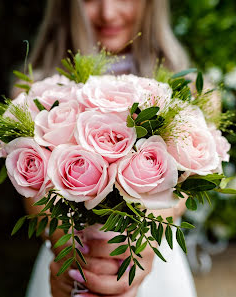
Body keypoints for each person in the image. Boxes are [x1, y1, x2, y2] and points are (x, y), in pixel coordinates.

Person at [13, 1, 214, 296]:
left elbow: (183, 192)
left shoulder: (189, 87)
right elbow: (35, 199)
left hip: (153, 257)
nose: (108, 12)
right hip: (71, 255)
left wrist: (139, 246)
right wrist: (72, 254)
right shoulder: (34, 91)